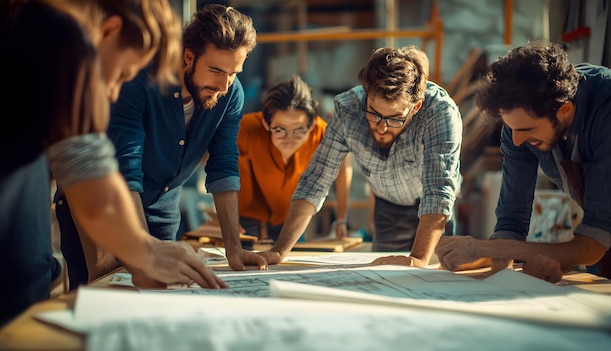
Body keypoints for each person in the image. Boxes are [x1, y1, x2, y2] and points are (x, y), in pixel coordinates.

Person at [0, 0, 226, 326]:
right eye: (122, 74)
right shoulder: (66, 41)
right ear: (109, 30)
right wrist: (146, 253)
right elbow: (90, 177)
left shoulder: (25, 30)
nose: (113, 93)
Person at [55, 3, 268, 289]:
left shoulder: (231, 94)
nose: (225, 86)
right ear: (189, 57)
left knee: (162, 299)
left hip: (162, 210)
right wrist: (139, 257)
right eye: (216, 70)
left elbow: (224, 162)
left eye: (234, 73)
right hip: (106, 206)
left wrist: (234, 248)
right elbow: (124, 168)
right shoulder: (135, 81)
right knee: (101, 295)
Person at [435, 41, 611, 284]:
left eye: (527, 130)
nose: (516, 141)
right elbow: (511, 220)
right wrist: (486, 261)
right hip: (610, 237)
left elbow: (594, 242)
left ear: (564, 111)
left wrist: (486, 248)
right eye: (510, 129)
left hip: (605, 235)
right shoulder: (519, 125)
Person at [257, 46, 462, 267]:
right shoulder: (348, 109)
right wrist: (279, 251)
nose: (382, 128)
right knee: (384, 275)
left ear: (416, 107)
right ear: (366, 94)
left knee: (435, 273)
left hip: (435, 212)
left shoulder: (440, 113)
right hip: (389, 204)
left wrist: (419, 259)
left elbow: (438, 191)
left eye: (394, 119)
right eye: (374, 113)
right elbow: (316, 181)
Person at [238, 75, 353, 242]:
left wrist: (341, 218)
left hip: (292, 218)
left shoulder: (322, 133)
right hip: (247, 220)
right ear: (266, 124)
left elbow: (343, 166)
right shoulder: (245, 130)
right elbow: (223, 173)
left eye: (299, 130)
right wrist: (229, 219)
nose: (289, 138)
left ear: (311, 125)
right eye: (279, 129)